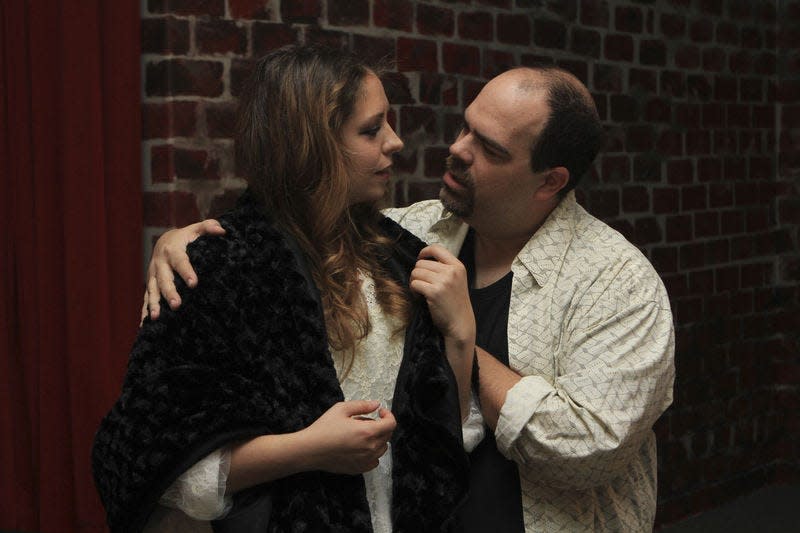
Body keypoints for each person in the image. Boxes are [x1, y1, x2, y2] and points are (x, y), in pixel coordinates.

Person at [147, 64, 676, 532]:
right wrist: (192, 239)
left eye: (489, 149)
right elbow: (296, 235)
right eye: (467, 125)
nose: (458, 148)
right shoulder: (403, 233)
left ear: (549, 181)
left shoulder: (615, 281)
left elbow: (587, 449)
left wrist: (461, 338)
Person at [92, 44, 485, 533]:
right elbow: (146, 460)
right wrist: (309, 449)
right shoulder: (222, 267)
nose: (396, 142)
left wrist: (461, 335)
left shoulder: (401, 256)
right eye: (371, 129)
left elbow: (446, 439)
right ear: (312, 144)